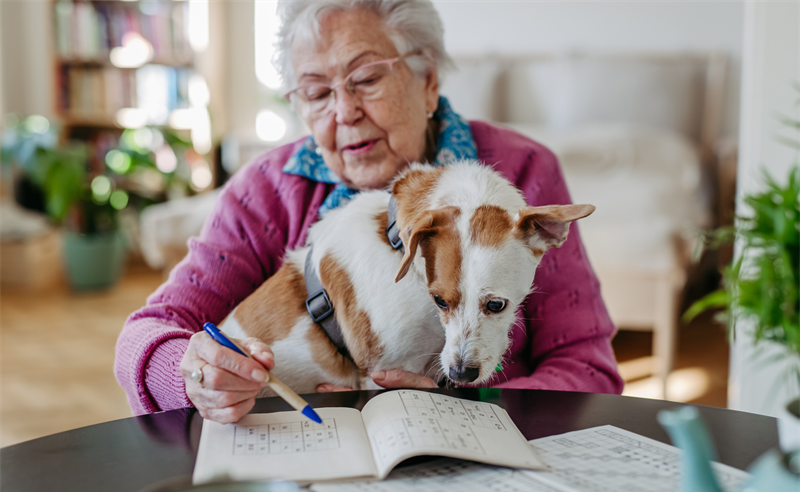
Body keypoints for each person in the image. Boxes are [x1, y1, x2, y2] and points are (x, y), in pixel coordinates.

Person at [115, 0, 624, 424]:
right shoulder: (265, 190)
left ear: (428, 82)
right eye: (317, 92)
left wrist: (473, 410)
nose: (343, 111)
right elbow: (149, 331)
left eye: (365, 79)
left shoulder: (525, 174)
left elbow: (589, 370)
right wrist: (195, 377)